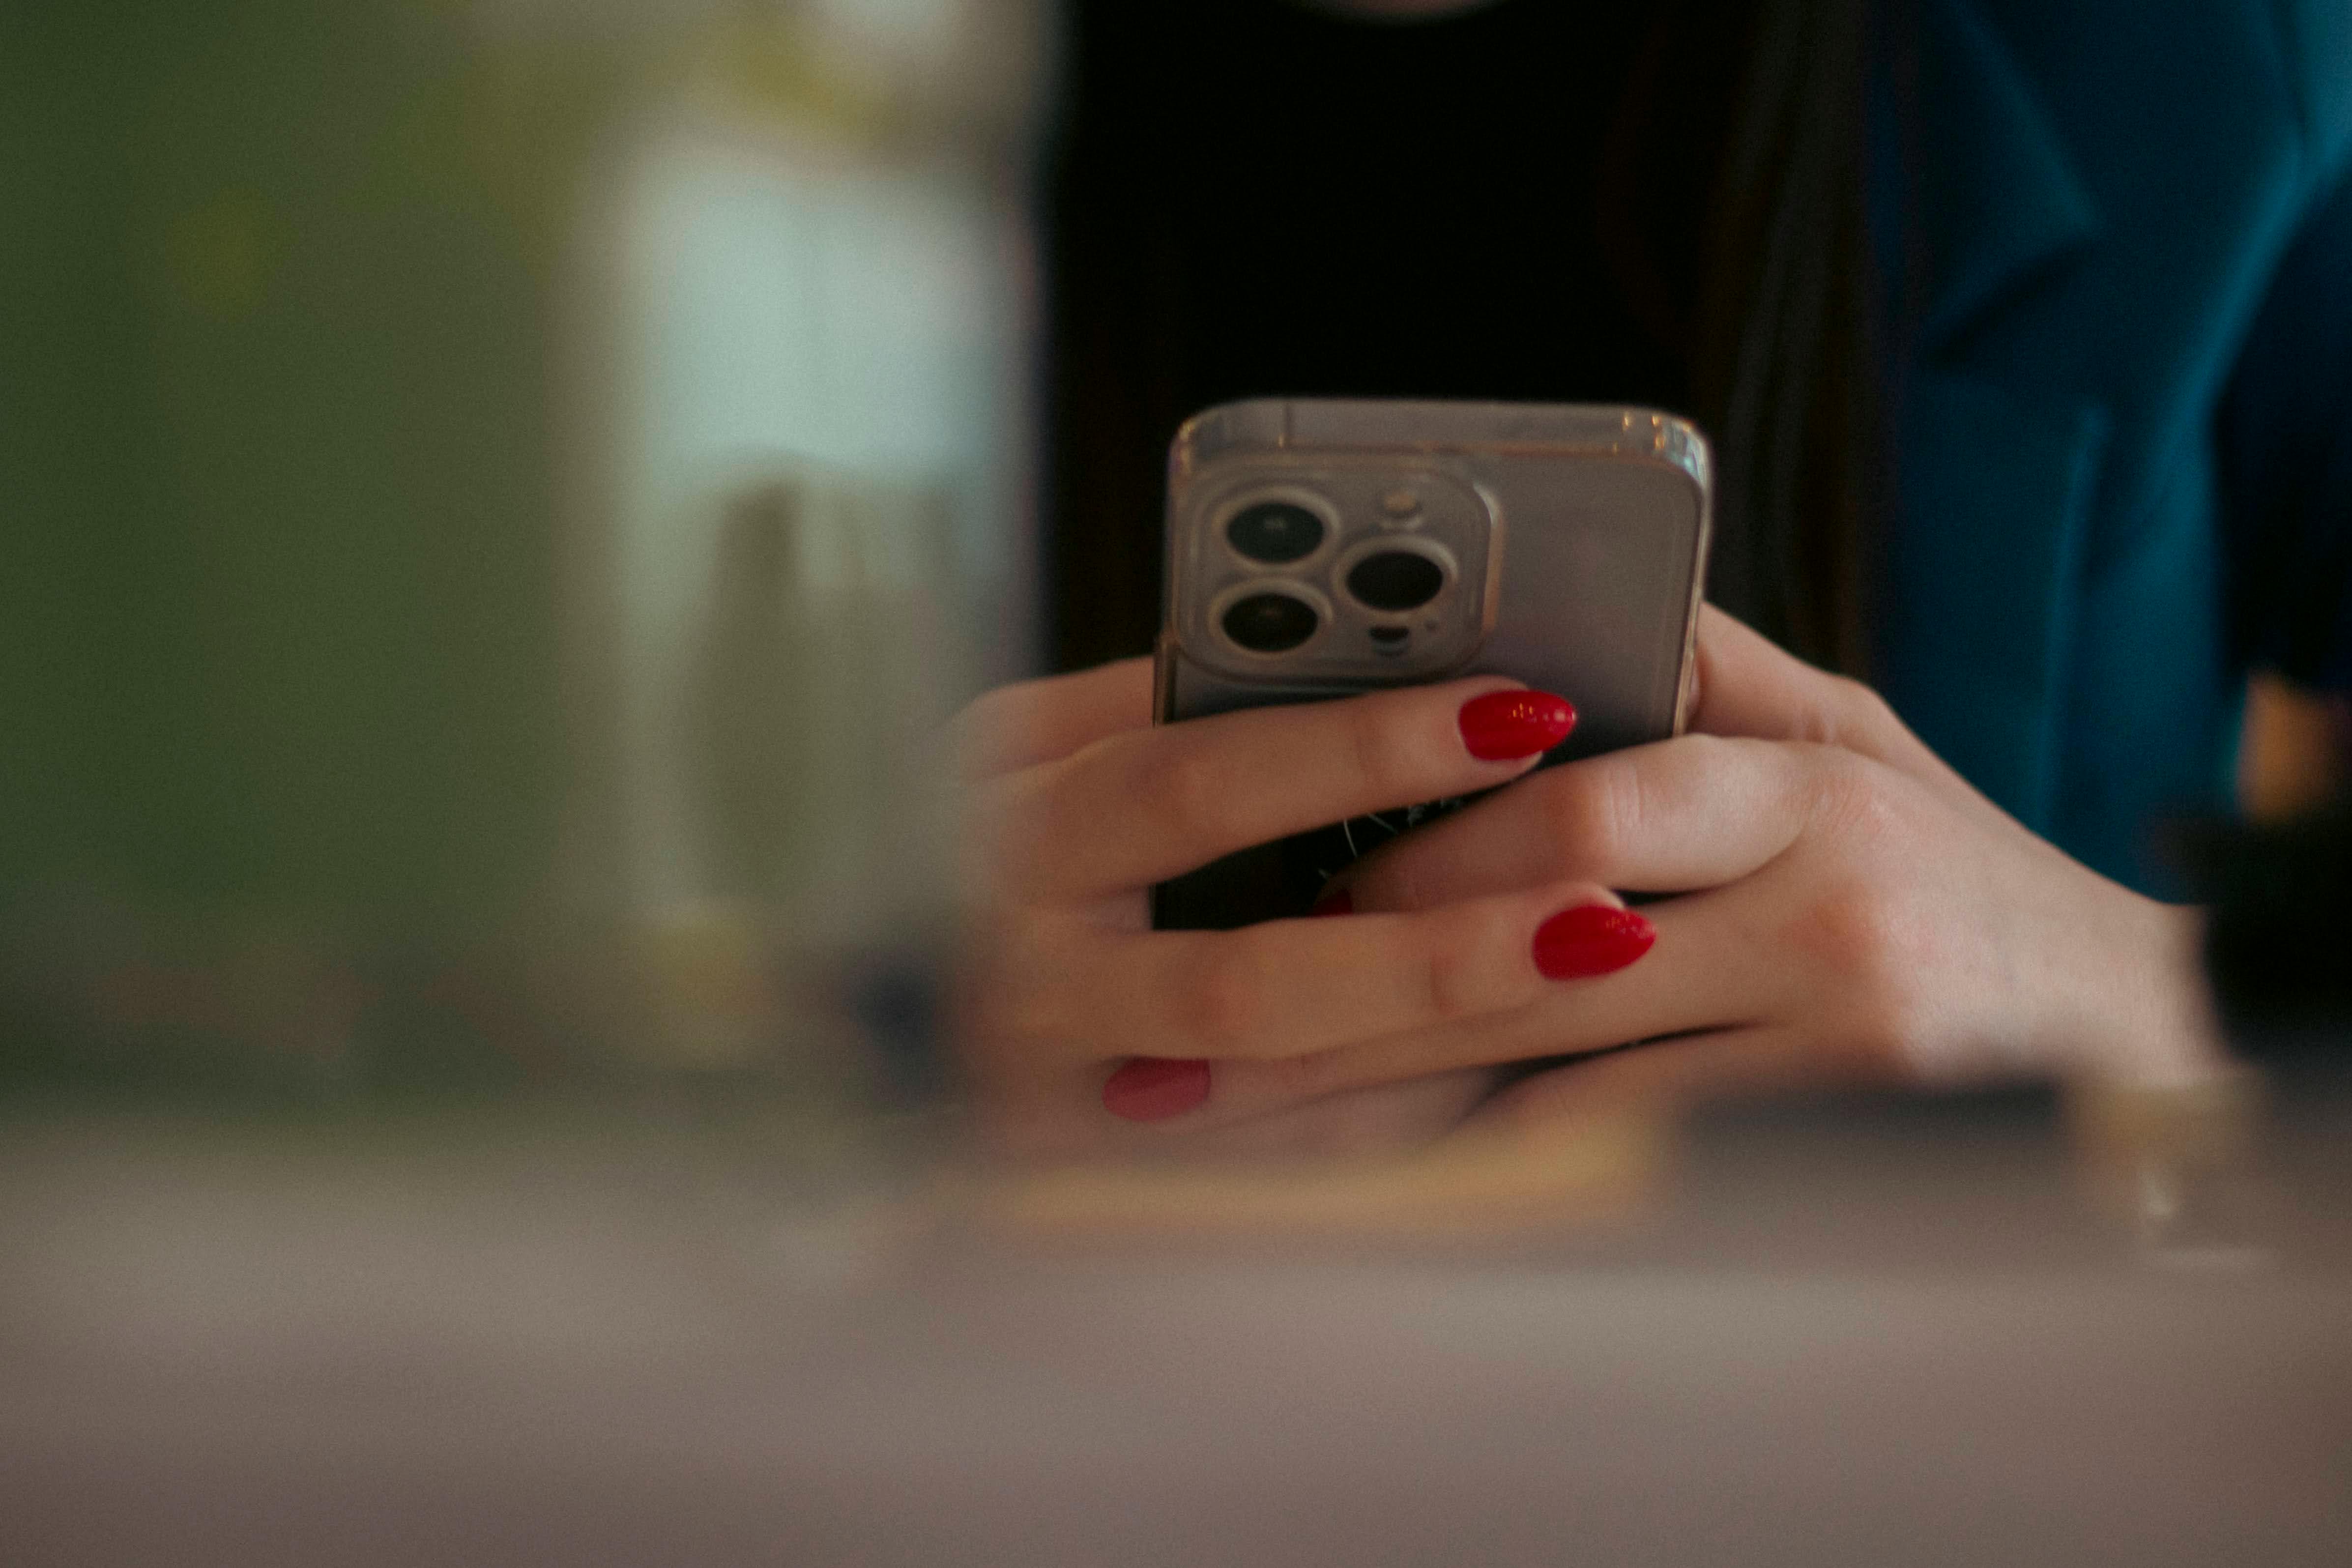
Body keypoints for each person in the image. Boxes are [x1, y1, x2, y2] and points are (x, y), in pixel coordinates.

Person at [957, 0, 2352, 1160]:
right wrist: (859, 1036)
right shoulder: (788, 109)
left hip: (1926, 1441)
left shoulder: (2201, 58)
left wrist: (2153, 1002)